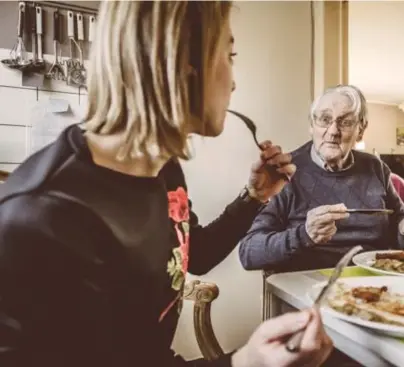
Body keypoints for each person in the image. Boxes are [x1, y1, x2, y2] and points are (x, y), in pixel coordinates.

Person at [0, 1, 332, 366]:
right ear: (181, 62)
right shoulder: (43, 219)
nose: (233, 80)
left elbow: (194, 255)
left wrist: (254, 197)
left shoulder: (161, 167)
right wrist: (245, 363)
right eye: (229, 54)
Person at [239, 85, 404, 272]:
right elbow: (248, 253)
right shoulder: (283, 173)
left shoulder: (376, 167)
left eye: (346, 122)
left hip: (373, 284)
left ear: (361, 130)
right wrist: (304, 235)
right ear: (311, 126)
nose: (333, 131)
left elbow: (398, 224)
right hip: (305, 289)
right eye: (325, 119)